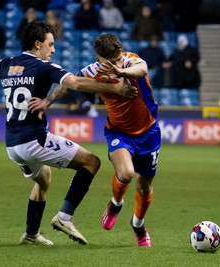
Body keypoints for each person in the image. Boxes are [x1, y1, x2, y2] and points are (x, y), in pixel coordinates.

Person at [0, 20, 138, 246]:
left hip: (12, 145)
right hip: (34, 139)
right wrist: (115, 88)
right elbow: (75, 83)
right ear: (37, 44)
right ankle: (65, 217)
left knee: (43, 180)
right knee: (91, 162)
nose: (53, 49)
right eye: (50, 44)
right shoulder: (44, 67)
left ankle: (31, 234)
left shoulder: (7, 63)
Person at [29, 33, 160, 247]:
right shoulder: (94, 71)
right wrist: (47, 101)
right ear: (99, 58)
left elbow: (142, 69)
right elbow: (68, 84)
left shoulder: (130, 61)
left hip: (149, 133)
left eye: (119, 58)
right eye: (112, 61)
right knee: (126, 174)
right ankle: (115, 203)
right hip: (119, 132)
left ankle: (138, 224)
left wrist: (120, 70)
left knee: (144, 187)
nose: (118, 62)